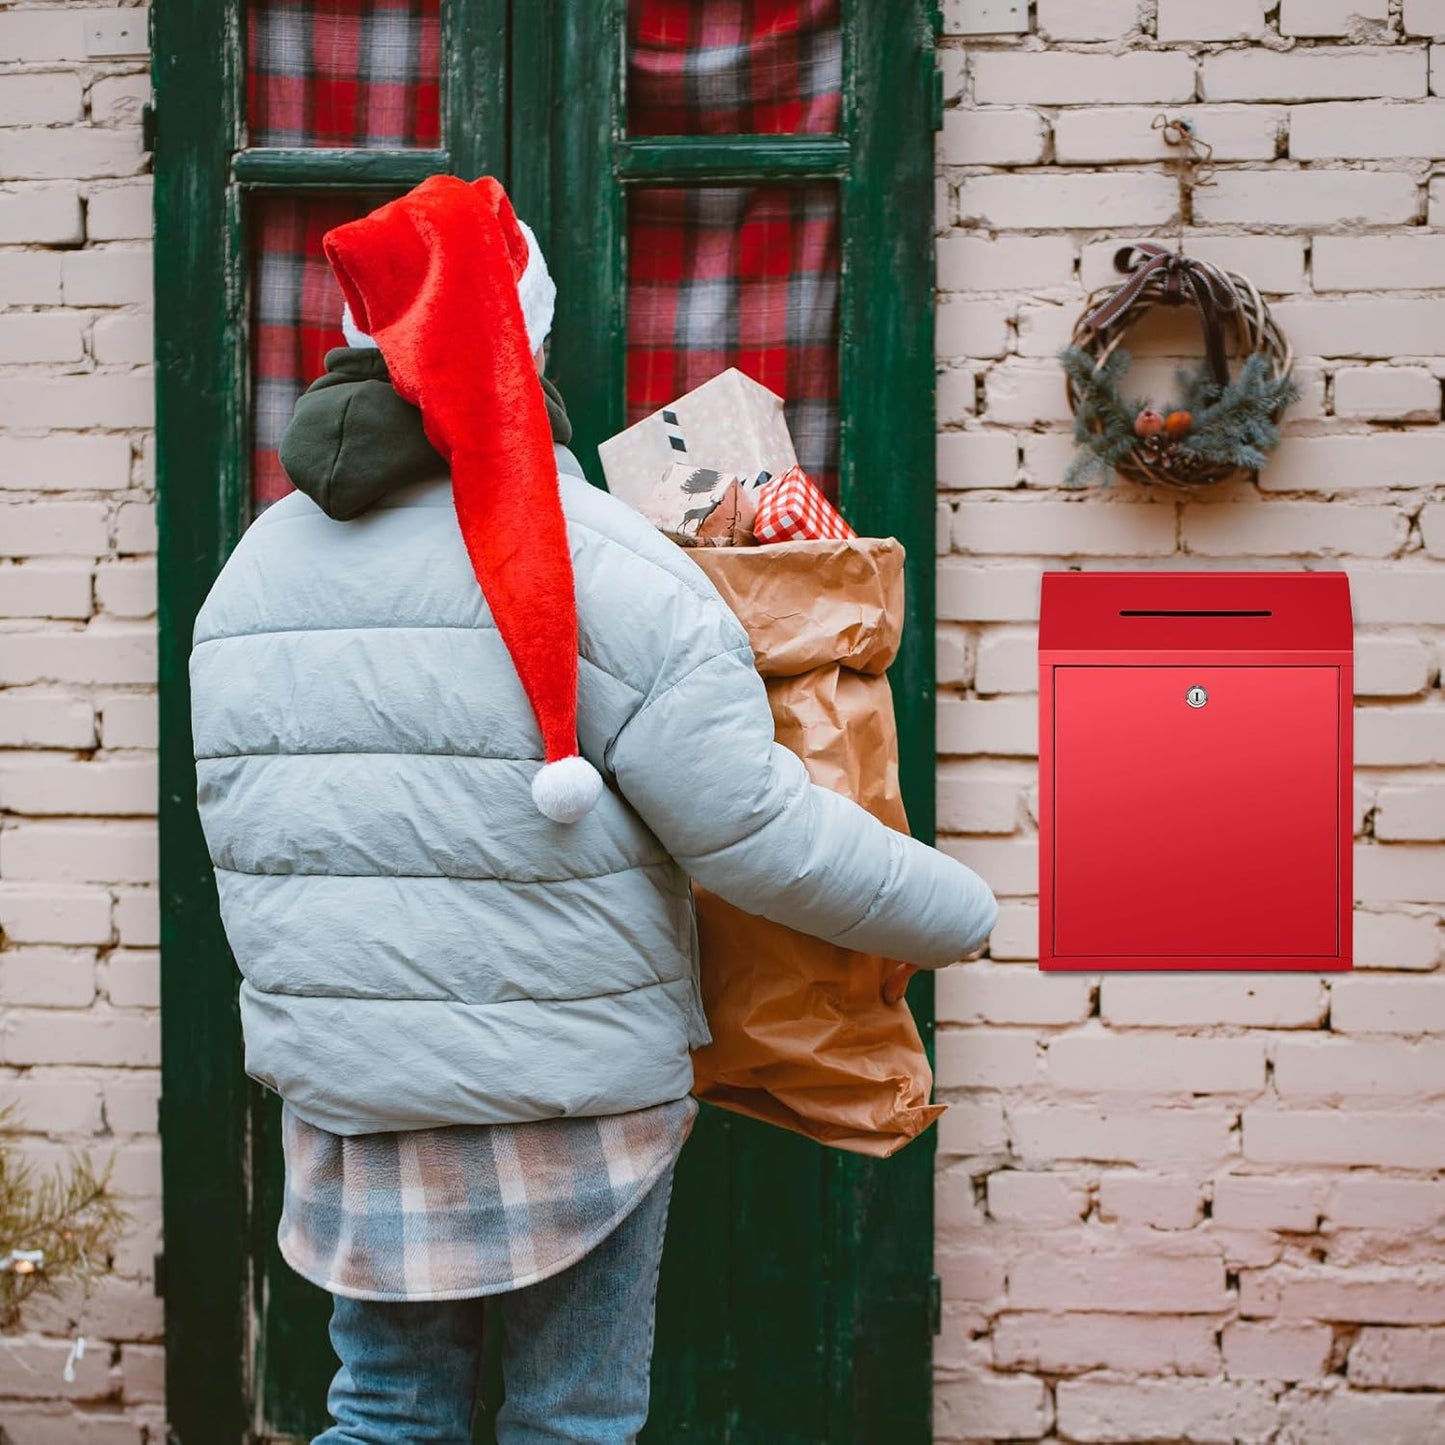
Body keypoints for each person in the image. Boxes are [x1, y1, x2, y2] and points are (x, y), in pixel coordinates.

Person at [190, 175, 997, 1445]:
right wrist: (958, 909)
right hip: (570, 1099)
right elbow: (757, 836)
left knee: (385, 1410)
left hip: (356, 1094)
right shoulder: (609, 565)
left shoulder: (252, 570)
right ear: (529, 337)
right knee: (571, 1420)